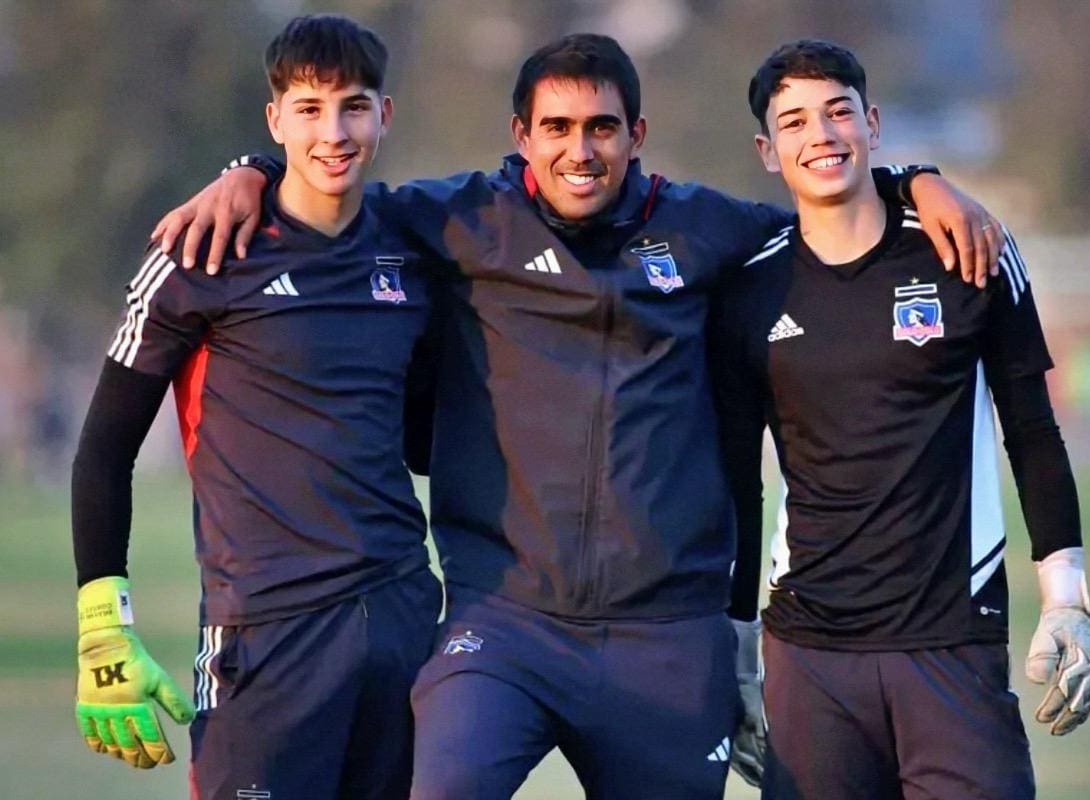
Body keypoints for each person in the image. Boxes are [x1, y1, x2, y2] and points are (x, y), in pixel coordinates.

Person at [152, 33, 1000, 799]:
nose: (579, 149)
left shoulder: (708, 229)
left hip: (666, 637)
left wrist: (911, 179)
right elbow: (329, 180)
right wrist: (250, 171)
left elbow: (829, 212)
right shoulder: (457, 219)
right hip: (503, 623)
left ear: (636, 134)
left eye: (601, 127)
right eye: (556, 128)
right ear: (522, 135)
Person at [709, 39, 1090, 799]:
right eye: (794, 122)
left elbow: (1032, 430)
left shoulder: (969, 249)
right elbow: (737, 480)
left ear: (873, 123)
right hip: (809, 651)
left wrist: (1067, 601)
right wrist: (738, 647)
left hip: (952, 642)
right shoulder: (751, 287)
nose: (820, 135)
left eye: (838, 113)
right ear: (767, 150)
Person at [70, 15, 441, 799]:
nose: (333, 132)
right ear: (275, 121)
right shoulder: (202, 251)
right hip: (264, 636)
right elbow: (104, 449)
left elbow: (422, 438)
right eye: (308, 109)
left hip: (401, 621)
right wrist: (104, 625)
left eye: (353, 105)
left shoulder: (413, 245)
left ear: (385, 115)